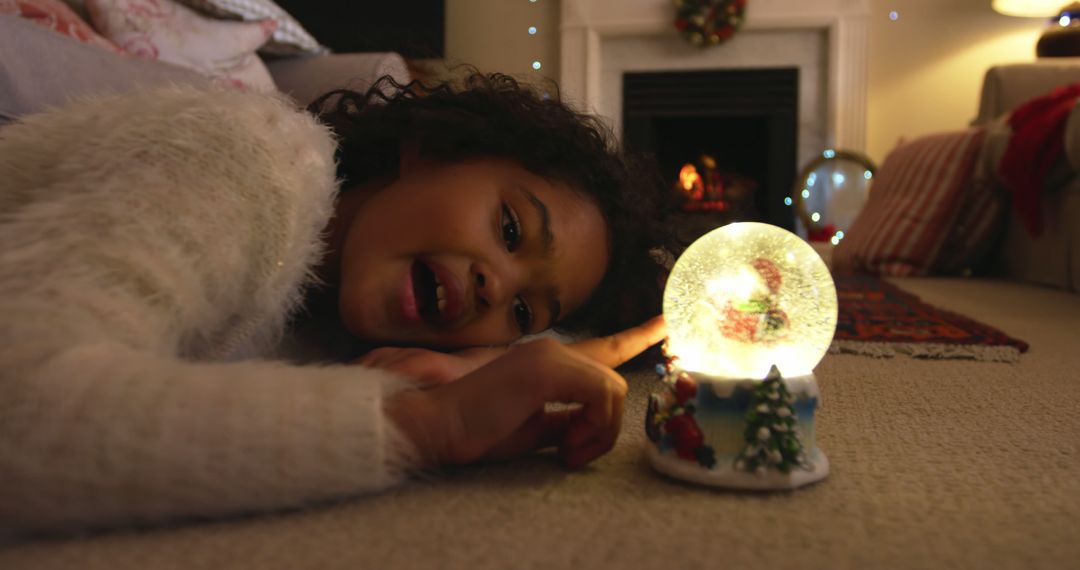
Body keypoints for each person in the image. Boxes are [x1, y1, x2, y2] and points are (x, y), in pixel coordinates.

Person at [0, 72, 675, 536]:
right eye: (508, 229)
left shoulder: (324, 312)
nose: (494, 287)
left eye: (526, 310)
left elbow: (523, 360)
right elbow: (21, 404)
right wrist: (426, 425)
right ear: (433, 151)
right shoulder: (248, 164)